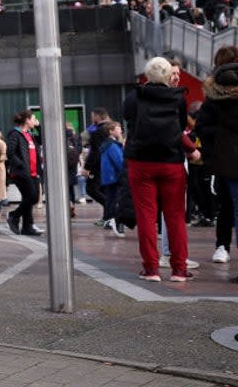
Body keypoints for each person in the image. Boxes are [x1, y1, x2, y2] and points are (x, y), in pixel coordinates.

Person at [124, 57, 194, 281]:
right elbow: (180, 127)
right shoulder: (178, 97)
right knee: (175, 217)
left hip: (141, 163)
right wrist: (191, 149)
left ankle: (151, 269)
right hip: (171, 162)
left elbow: (129, 120)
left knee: (146, 217)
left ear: (146, 75)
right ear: (167, 75)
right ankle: (179, 270)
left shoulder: (134, 96)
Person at [196, 46, 238, 265]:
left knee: (227, 206)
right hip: (226, 156)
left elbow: (202, 126)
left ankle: (222, 246)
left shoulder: (213, 96)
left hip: (224, 159)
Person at [5, 110, 44, 237]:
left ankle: (27, 227)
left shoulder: (29, 134)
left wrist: (38, 126)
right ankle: (14, 216)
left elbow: (43, 140)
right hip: (22, 173)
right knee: (31, 197)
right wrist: (21, 165)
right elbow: (10, 152)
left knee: (30, 198)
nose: (34, 121)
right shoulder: (15, 134)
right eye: (33, 119)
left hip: (33, 172)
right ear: (26, 120)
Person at [98, 122, 126, 237]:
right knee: (115, 199)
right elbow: (120, 161)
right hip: (115, 177)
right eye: (118, 128)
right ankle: (112, 220)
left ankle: (108, 220)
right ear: (111, 131)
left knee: (111, 199)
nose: (120, 130)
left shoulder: (107, 144)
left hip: (109, 177)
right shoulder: (113, 145)